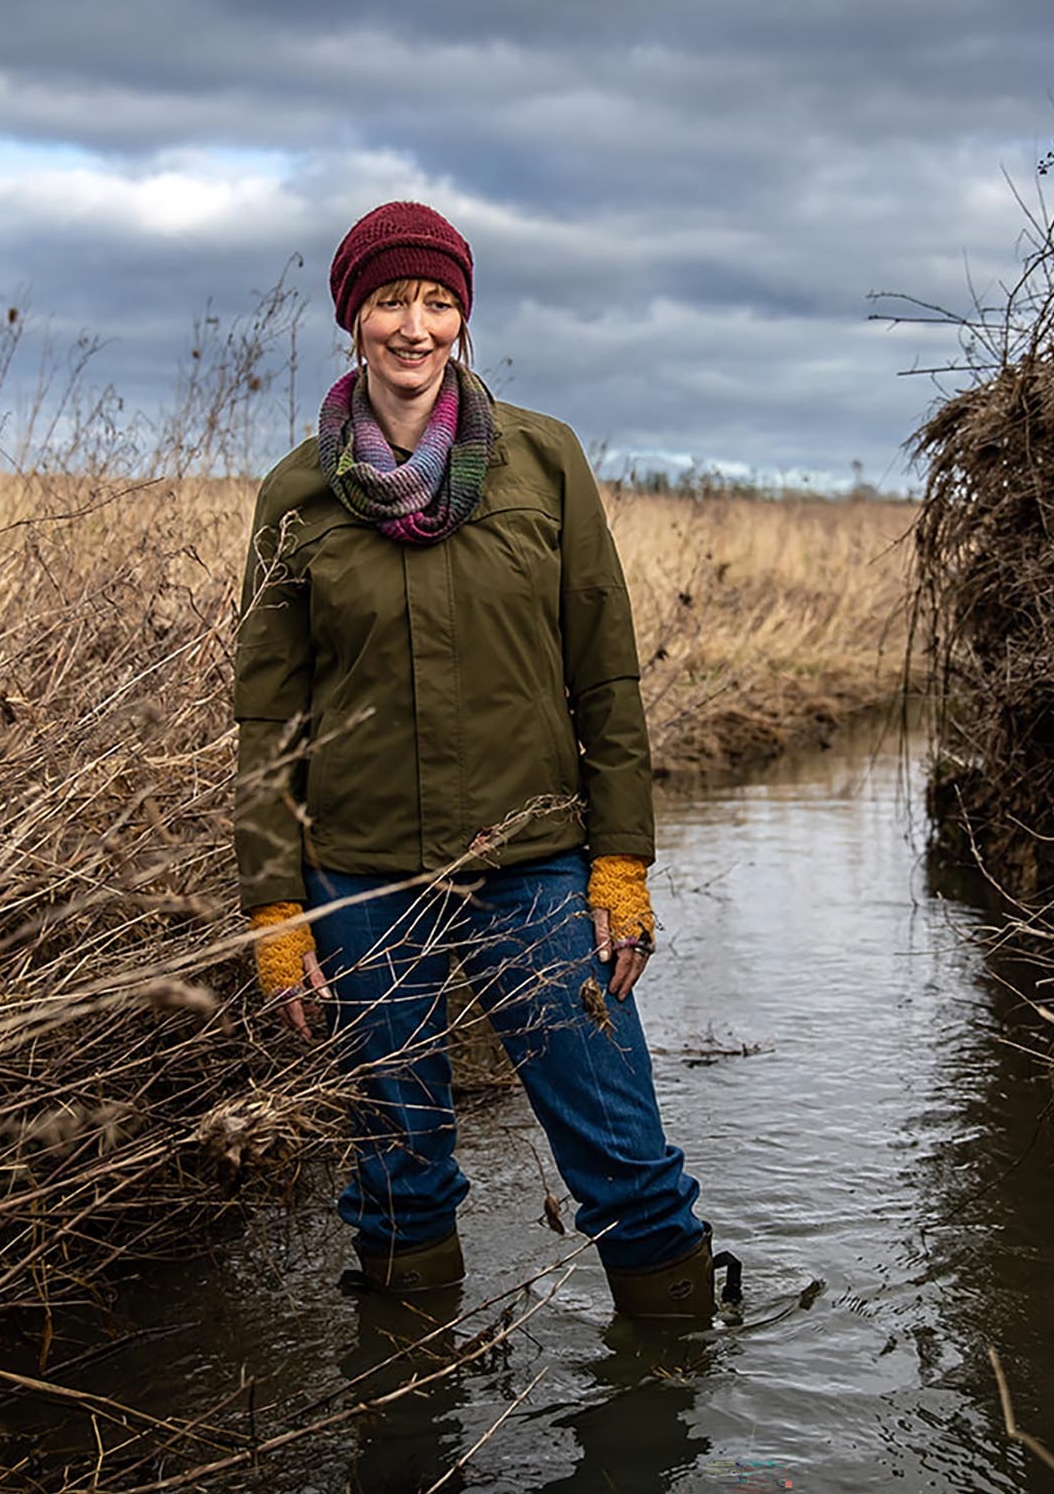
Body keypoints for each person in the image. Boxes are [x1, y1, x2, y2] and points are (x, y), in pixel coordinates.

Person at [232, 200, 715, 1319]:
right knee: (397, 1183)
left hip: (534, 863)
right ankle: (413, 1421)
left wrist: (622, 861)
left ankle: (673, 1400)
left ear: (464, 314)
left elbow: (608, 677)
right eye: (392, 300)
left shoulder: (545, 461)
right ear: (353, 317)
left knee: (628, 1164)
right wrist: (273, 906)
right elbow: (268, 720)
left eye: (439, 301)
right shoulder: (295, 498)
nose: (416, 326)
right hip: (361, 878)